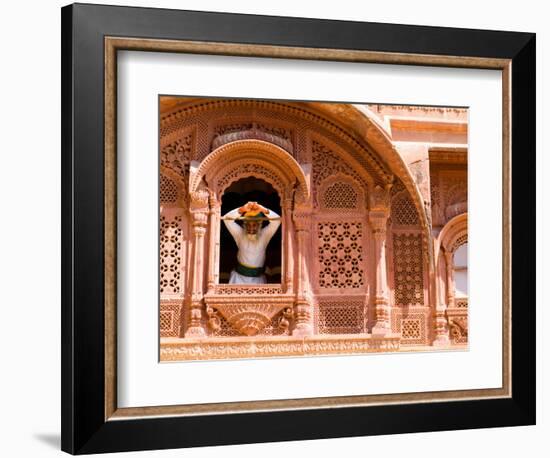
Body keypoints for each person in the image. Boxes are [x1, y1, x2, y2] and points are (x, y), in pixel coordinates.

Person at [222, 201, 281, 284]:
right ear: (244, 225)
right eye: (248, 225)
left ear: (260, 225)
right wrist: (242, 209)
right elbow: (227, 219)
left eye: (254, 225)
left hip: (258, 280)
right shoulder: (240, 234)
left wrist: (263, 210)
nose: (251, 228)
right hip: (238, 280)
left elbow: (277, 220)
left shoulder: (264, 235)